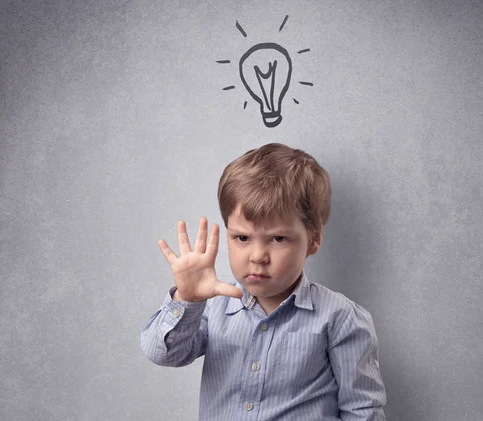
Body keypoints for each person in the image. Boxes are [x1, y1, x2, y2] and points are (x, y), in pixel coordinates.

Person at [140, 143, 387, 420]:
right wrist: (186, 299)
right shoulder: (213, 308)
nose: (257, 257)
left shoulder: (340, 318)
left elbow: (362, 411)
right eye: (242, 238)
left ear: (314, 239)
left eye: (278, 239)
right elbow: (163, 354)